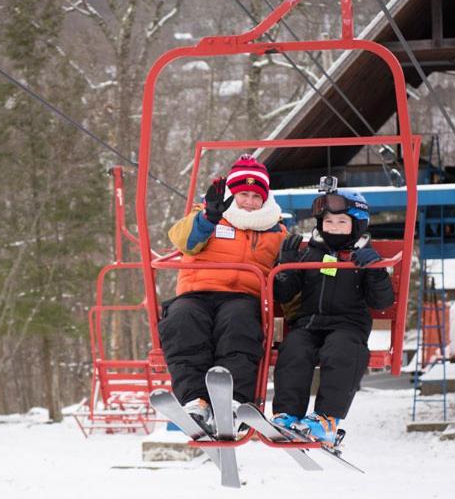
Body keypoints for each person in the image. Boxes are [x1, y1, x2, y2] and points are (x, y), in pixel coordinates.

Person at [158, 154, 286, 433]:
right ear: (232, 195)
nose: (250, 202)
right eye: (243, 195)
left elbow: (287, 268)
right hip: (197, 292)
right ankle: (195, 400)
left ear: (264, 199)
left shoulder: (275, 230)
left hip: (243, 296)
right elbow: (182, 240)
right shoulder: (209, 216)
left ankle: (235, 400)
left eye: (256, 196)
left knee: (238, 323)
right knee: (181, 320)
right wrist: (207, 217)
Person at [271, 187, 394, 443]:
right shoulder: (310, 253)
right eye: (328, 221)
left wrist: (375, 270)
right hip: (310, 324)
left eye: (341, 222)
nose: (334, 227)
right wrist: (285, 266)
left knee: (340, 351)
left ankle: (326, 417)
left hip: (348, 326)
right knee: (294, 347)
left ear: (356, 225)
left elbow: (381, 302)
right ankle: (287, 414)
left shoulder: (363, 257)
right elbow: (284, 294)